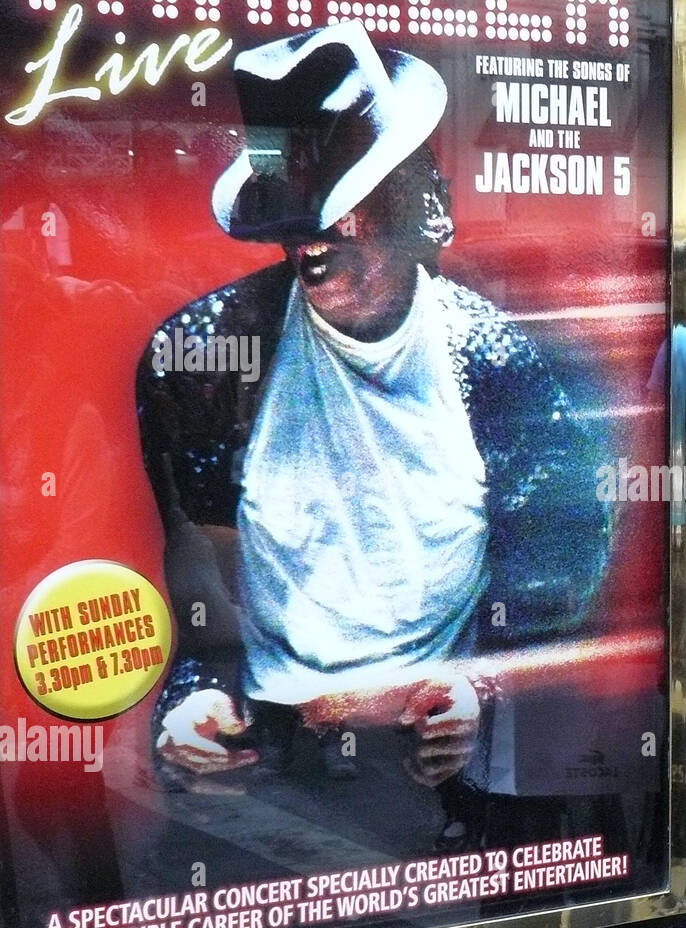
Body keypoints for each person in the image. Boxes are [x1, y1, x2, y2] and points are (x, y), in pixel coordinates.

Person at [135, 23, 611, 850]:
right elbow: (203, 579)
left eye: (341, 205)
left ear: (410, 201)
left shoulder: (494, 362)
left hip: (444, 780)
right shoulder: (205, 356)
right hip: (272, 769)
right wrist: (195, 697)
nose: (309, 239)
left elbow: (562, 567)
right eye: (290, 212)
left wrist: (476, 689)